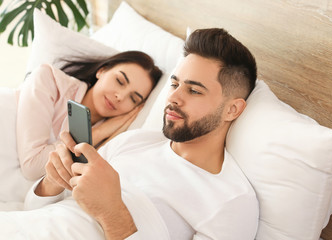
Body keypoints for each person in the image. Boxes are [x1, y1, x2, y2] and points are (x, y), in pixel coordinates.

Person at [6, 28, 258, 239]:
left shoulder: (231, 201)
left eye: (194, 91)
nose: (172, 97)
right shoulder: (133, 142)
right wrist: (52, 181)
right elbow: (34, 208)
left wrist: (111, 212)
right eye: (174, 84)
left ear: (232, 109)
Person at [16, 51, 162, 180]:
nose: (120, 96)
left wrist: (107, 134)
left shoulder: (114, 139)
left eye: (133, 99)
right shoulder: (49, 79)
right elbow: (32, 167)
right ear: (102, 71)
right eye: (120, 81)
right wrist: (98, 132)